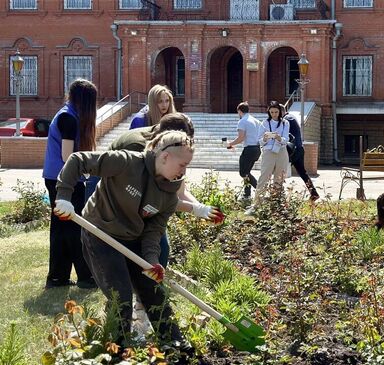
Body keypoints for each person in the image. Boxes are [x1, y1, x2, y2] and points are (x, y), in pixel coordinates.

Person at [53, 130, 194, 348]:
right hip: (100, 233)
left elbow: (153, 233)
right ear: (165, 157)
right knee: (121, 295)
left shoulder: (168, 197)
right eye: (182, 164)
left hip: (133, 238)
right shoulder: (126, 162)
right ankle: (117, 349)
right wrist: (63, 196)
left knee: (154, 290)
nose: (184, 171)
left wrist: (151, 260)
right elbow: (78, 159)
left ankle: (174, 343)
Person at [110, 112, 222, 267]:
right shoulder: (138, 149)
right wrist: (195, 209)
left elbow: (179, 192)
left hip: (140, 196)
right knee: (128, 243)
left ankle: (151, 286)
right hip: (114, 189)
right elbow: (155, 198)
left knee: (161, 249)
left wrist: (203, 209)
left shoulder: (175, 152)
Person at [42, 79, 97, 289]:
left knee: (61, 229)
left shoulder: (66, 114)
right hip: (63, 180)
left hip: (56, 177)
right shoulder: (69, 118)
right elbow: (68, 156)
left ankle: (57, 277)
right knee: (75, 227)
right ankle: (85, 276)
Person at [245, 101, 290, 215]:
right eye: (272, 112)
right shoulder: (264, 123)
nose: (274, 114)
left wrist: (279, 138)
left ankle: (276, 204)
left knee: (279, 178)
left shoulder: (285, 123)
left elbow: (286, 139)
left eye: (276, 112)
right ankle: (257, 204)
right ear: (269, 112)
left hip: (281, 151)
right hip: (268, 151)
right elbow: (259, 140)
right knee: (264, 177)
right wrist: (265, 138)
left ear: (280, 112)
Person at [227, 101, 262, 200]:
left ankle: (260, 190)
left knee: (243, 173)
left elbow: (241, 137)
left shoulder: (242, 121)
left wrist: (230, 144)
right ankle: (247, 194)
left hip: (249, 149)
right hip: (257, 148)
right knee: (247, 172)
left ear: (239, 111)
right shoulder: (256, 121)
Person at [284, 107, 319, 201]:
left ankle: (277, 196)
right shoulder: (291, 117)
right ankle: (314, 193)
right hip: (299, 149)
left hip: (292, 150)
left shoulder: (286, 119)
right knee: (303, 173)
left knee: (279, 171)